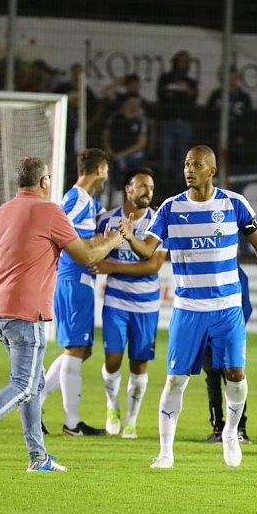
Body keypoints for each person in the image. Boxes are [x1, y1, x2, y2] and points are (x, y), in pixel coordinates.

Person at [0, 157, 124, 472]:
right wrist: (116, 239)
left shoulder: (2, 213)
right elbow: (86, 255)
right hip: (26, 312)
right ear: (44, 181)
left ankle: (38, 457)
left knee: (34, 383)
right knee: (23, 384)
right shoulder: (51, 212)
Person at [120, 145, 257, 469]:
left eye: (196, 164)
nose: (188, 169)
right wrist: (129, 238)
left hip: (227, 308)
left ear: (211, 170)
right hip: (188, 309)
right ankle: (166, 452)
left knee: (236, 375)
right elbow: (147, 250)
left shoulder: (234, 204)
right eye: (186, 164)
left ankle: (230, 432)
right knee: (175, 379)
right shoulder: (169, 208)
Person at [93, 167, 167, 439]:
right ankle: (112, 406)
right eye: (143, 186)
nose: (149, 191)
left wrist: (111, 266)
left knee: (139, 364)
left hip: (146, 305)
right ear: (128, 189)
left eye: (151, 186)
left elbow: (153, 266)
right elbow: (95, 251)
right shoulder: (107, 219)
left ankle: (132, 421)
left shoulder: (160, 220)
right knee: (112, 359)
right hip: (116, 302)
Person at [40, 149, 109, 436]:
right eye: (106, 170)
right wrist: (89, 244)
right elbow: (57, 229)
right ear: (100, 169)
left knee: (83, 349)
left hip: (79, 279)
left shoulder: (89, 202)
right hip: (71, 278)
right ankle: (71, 422)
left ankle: (36, 400)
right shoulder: (77, 198)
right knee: (75, 349)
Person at [205, 265, 253, 444]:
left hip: (218, 335)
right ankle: (230, 429)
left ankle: (227, 429)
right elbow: (246, 306)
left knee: (224, 380)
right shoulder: (238, 271)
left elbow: (245, 306)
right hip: (218, 335)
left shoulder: (229, 270)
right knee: (227, 380)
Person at [157, 51, 198, 180]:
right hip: (168, 121)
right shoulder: (165, 78)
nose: (183, 64)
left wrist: (175, 95)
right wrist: (182, 95)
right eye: (180, 61)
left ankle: (179, 184)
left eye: (186, 61)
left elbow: (191, 99)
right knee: (166, 156)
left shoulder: (191, 81)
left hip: (184, 122)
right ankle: (164, 183)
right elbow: (163, 97)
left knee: (183, 157)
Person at [103, 94, 148, 206]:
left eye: (137, 104)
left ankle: (133, 203)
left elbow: (141, 143)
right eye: (132, 103)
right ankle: (115, 204)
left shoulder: (140, 120)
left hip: (132, 157)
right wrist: (109, 150)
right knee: (112, 177)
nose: (135, 106)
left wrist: (122, 154)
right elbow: (106, 135)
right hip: (114, 154)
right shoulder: (115, 117)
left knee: (133, 175)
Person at [205, 67, 252, 146]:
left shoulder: (244, 97)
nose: (231, 81)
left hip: (237, 133)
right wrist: (212, 132)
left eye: (234, 78)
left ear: (237, 78)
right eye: (229, 78)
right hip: (218, 132)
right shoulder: (216, 95)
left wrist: (242, 135)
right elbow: (209, 114)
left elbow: (248, 117)